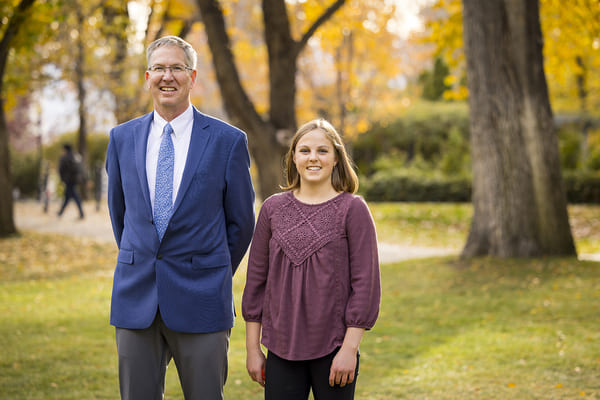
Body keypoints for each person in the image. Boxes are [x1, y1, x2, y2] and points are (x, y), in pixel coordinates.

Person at [105, 35, 255, 400]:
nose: (166, 76)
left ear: (193, 77)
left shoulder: (227, 141)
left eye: (176, 68)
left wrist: (210, 268)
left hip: (202, 297)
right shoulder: (122, 138)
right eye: (159, 68)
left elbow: (241, 223)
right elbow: (120, 215)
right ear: (147, 76)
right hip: (135, 296)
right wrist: (144, 259)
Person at [242, 119, 381, 400]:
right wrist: (252, 349)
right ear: (294, 158)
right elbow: (256, 281)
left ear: (336, 158)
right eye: (304, 151)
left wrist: (349, 350)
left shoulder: (353, 209)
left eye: (322, 151)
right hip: (280, 347)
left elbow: (365, 285)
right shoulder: (272, 209)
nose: (313, 158)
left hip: (334, 347)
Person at [57, 143, 85, 219]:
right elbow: (82, 168)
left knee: (74, 196)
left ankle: (81, 213)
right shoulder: (77, 156)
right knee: (68, 196)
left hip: (68, 180)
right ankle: (60, 212)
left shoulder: (64, 157)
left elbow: (60, 169)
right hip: (76, 180)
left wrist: (62, 179)